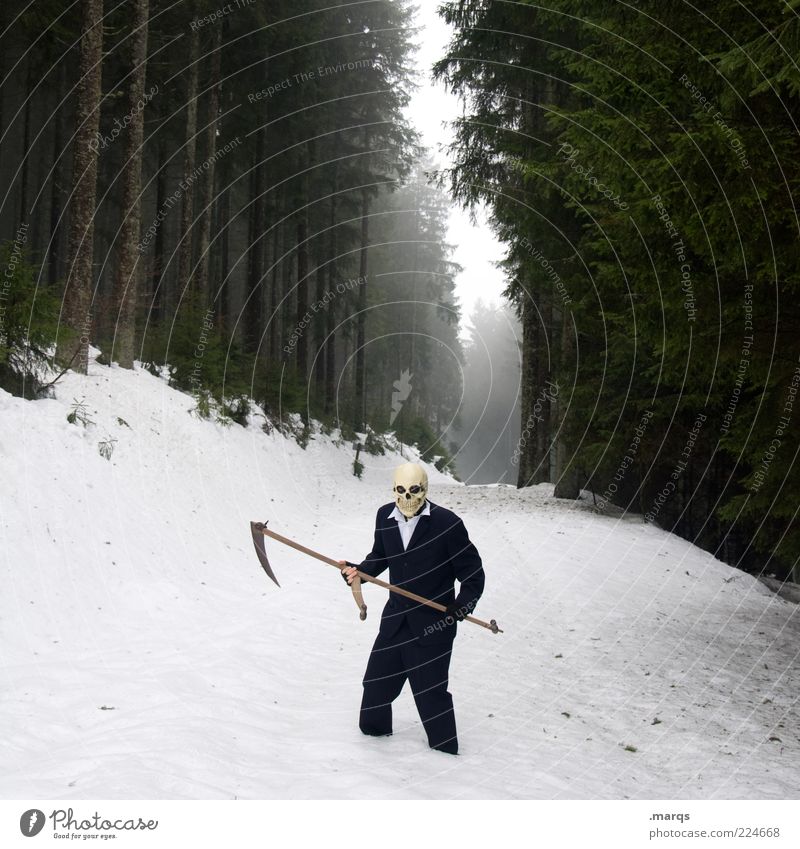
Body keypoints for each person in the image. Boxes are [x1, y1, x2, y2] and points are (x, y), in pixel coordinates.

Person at [339, 462, 485, 755]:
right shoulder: (385, 516)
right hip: (395, 622)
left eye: (414, 490)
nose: (407, 497)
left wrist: (462, 605)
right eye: (401, 491)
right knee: (376, 687)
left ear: (425, 489)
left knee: (431, 695)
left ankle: (445, 757)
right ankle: (372, 749)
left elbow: (473, 574)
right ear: (394, 490)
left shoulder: (448, 524)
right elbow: (381, 555)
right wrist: (360, 571)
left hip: (434, 626)